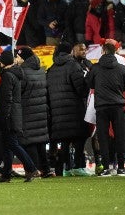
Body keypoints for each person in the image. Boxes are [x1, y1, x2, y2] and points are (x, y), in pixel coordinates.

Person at [0, 50, 40, 183]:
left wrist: (4, 117)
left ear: (3, 63)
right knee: (8, 144)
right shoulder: (15, 74)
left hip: (9, 115)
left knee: (12, 144)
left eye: (0, 62)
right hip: (14, 114)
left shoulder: (7, 76)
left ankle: (31, 168)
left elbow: (6, 99)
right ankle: (6, 174)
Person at [46, 42, 89, 176]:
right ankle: (78, 167)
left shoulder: (51, 69)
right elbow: (81, 90)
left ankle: (66, 169)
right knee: (79, 140)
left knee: (64, 141)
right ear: (70, 51)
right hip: (74, 110)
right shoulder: (73, 66)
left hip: (57, 113)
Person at [86, 42, 125, 176]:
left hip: (102, 106)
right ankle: (121, 167)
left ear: (103, 52)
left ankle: (106, 168)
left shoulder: (95, 68)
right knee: (120, 136)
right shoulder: (121, 68)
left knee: (103, 138)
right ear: (114, 52)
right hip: (117, 106)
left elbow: (89, 83)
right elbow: (124, 86)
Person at [15, 47, 52, 177]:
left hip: (27, 111)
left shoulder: (22, 72)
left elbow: (18, 93)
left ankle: (33, 169)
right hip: (41, 111)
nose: (16, 59)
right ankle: (46, 169)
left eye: (18, 57)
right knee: (40, 140)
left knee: (29, 141)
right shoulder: (41, 71)